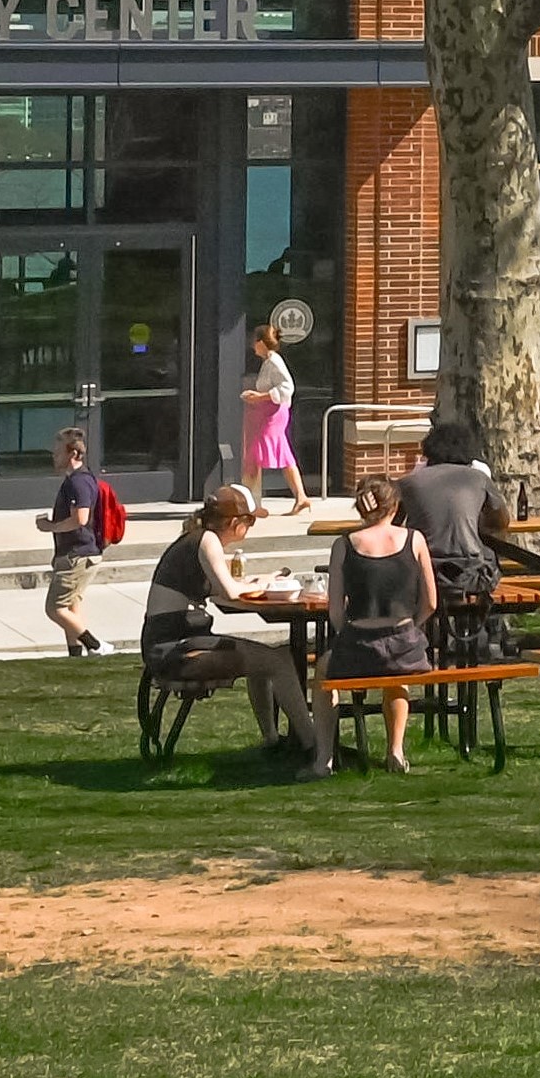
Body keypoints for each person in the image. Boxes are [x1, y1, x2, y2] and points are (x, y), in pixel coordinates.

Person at [140, 485, 307, 747]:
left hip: (167, 644)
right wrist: (262, 585)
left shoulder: (195, 538)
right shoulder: (207, 540)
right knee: (279, 660)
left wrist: (254, 582)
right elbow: (229, 592)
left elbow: (222, 588)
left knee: (267, 657)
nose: (251, 528)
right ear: (234, 522)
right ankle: (313, 746)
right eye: (250, 521)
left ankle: (272, 739)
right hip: (175, 651)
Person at [394, 415, 540, 665]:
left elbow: (394, 525)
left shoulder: (408, 483)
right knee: (491, 560)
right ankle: (488, 636)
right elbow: (502, 522)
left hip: (424, 573)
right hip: (471, 573)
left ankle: (438, 641)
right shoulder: (478, 479)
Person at [323, 477, 439, 773]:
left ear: (361, 508)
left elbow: (335, 610)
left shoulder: (343, 545)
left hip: (359, 643)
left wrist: (344, 635)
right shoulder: (414, 539)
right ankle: (396, 751)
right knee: (397, 672)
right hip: (403, 641)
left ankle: (323, 757)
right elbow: (431, 603)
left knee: (324, 670)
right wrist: (412, 627)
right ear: (396, 505)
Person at [41, 426, 111, 657]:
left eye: (58, 451)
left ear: (73, 454)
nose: (54, 455)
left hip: (77, 555)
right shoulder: (78, 479)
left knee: (55, 608)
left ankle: (96, 645)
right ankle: (76, 654)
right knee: (72, 606)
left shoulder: (78, 482)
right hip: (78, 553)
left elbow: (80, 519)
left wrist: (50, 527)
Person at [238, 326, 308, 518]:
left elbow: (287, 388)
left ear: (261, 343)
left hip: (273, 415)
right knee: (282, 454)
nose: (253, 346)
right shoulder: (269, 362)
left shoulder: (274, 362)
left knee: (254, 454)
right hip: (271, 414)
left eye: (254, 341)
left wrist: (259, 397)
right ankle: (300, 496)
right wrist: (259, 398)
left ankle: (249, 505)